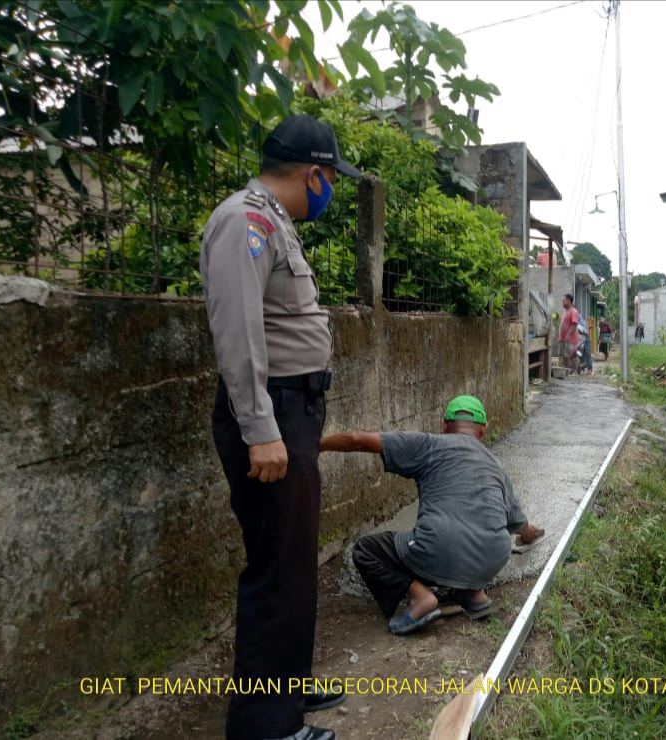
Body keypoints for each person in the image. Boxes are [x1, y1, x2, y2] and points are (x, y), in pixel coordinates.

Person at [201, 114, 360, 740]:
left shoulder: (273, 221)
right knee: (276, 567)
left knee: (292, 561)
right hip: (271, 415)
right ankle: (267, 726)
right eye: (330, 179)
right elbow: (237, 333)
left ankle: (286, 685)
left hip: (293, 412)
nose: (330, 190)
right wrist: (261, 429)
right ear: (313, 173)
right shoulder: (246, 221)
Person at [319, 396, 544, 635]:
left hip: (438, 547)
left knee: (366, 550)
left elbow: (357, 440)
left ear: (444, 426)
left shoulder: (429, 445)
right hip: (493, 558)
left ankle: (421, 596)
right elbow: (522, 527)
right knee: (463, 546)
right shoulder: (496, 465)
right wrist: (533, 534)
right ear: (483, 431)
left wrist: (318, 445)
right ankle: (473, 593)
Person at [558, 293, 581, 375]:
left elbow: (574, 324)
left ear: (569, 301)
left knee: (572, 355)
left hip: (571, 339)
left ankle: (575, 371)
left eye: (564, 300)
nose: (562, 302)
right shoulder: (565, 311)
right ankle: (567, 371)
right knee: (565, 355)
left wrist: (568, 334)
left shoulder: (573, 311)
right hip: (563, 338)